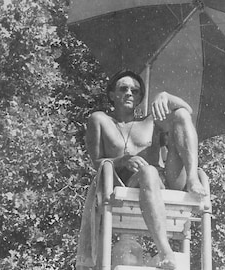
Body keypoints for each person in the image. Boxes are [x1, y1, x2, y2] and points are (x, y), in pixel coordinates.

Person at [85, 70, 206, 270]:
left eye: (135, 90)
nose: (129, 93)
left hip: (164, 181)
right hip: (124, 182)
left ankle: (193, 178)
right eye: (123, 89)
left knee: (180, 114)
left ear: (141, 97)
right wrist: (122, 161)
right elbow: (97, 162)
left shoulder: (150, 121)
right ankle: (164, 250)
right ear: (112, 94)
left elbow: (187, 112)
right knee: (148, 171)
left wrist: (165, 96)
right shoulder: (99, 120)